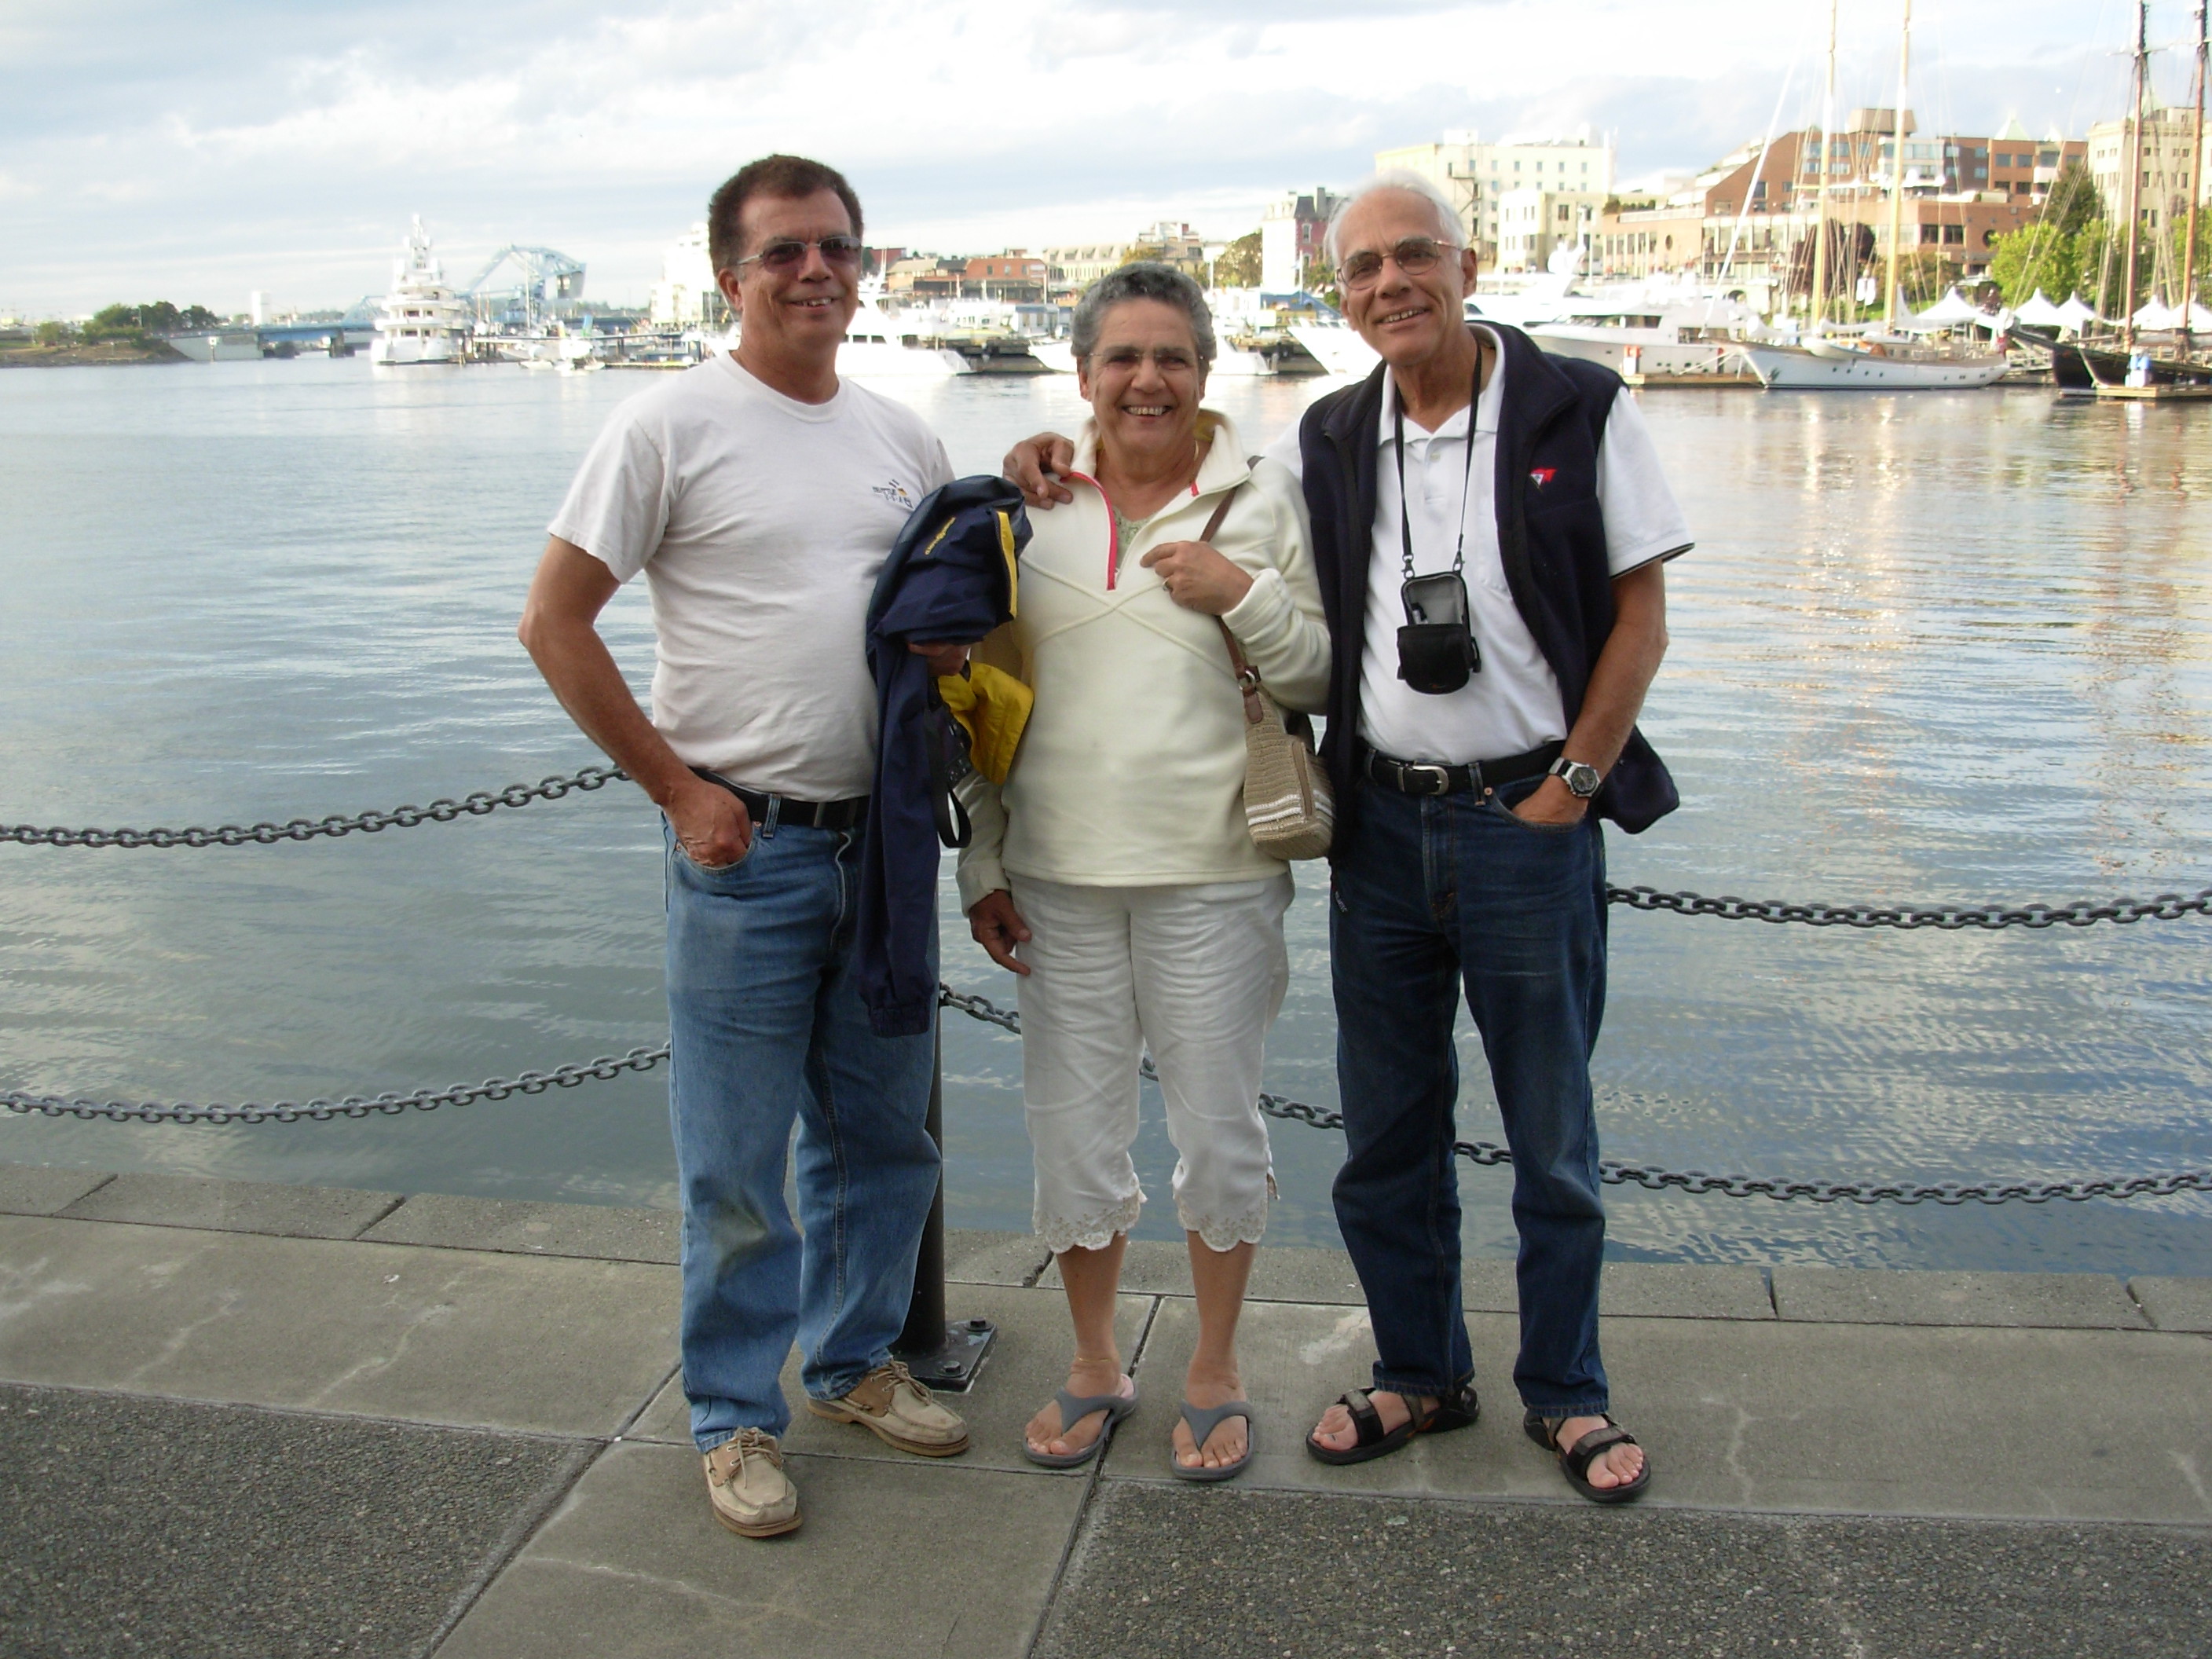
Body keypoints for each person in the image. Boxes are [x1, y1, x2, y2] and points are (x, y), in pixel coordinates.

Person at [1005, 174, 1687, 1502]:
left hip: (1527, 815)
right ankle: (1420, 1373)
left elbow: (1639, 616)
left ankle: (1568, 1395)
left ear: (1466, 264)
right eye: (1364, 267)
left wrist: (1575, 783)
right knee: (1387, 1135)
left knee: (1550, 1135)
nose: (1390, 284)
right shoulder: (1330, 433)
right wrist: (1039, 454)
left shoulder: (1579, 408)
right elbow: (1141, 490)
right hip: (1380, 825)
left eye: (1414, 255)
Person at [518, 153, 971, 1542]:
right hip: (744, 851)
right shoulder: (666, 426)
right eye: (784, 251)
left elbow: (948, 617)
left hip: (882, 852)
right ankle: (731, 1417)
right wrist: (678, 791)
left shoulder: (902, 438)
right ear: (731, 275)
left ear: (863, 268)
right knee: (734, 1164)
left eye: (836, 246)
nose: (814, 270)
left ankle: (852, 1363)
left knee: (883, 1138)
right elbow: (553, 622)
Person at [960, 265, 1329, 1479]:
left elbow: (1320, 675)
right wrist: (982, 862)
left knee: (1219, 1133)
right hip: (1055, 878)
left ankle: (1215, 1367)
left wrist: (1245, 597)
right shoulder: (1028, 502)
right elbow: (986, 696)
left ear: (1206, 372)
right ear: (1083, 375)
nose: (1147, 380)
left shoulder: (1265, 500)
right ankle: (1092, 1362)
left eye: (1172, 356)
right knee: (1073, 1137)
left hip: (1218, 874)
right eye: (1122, 357)